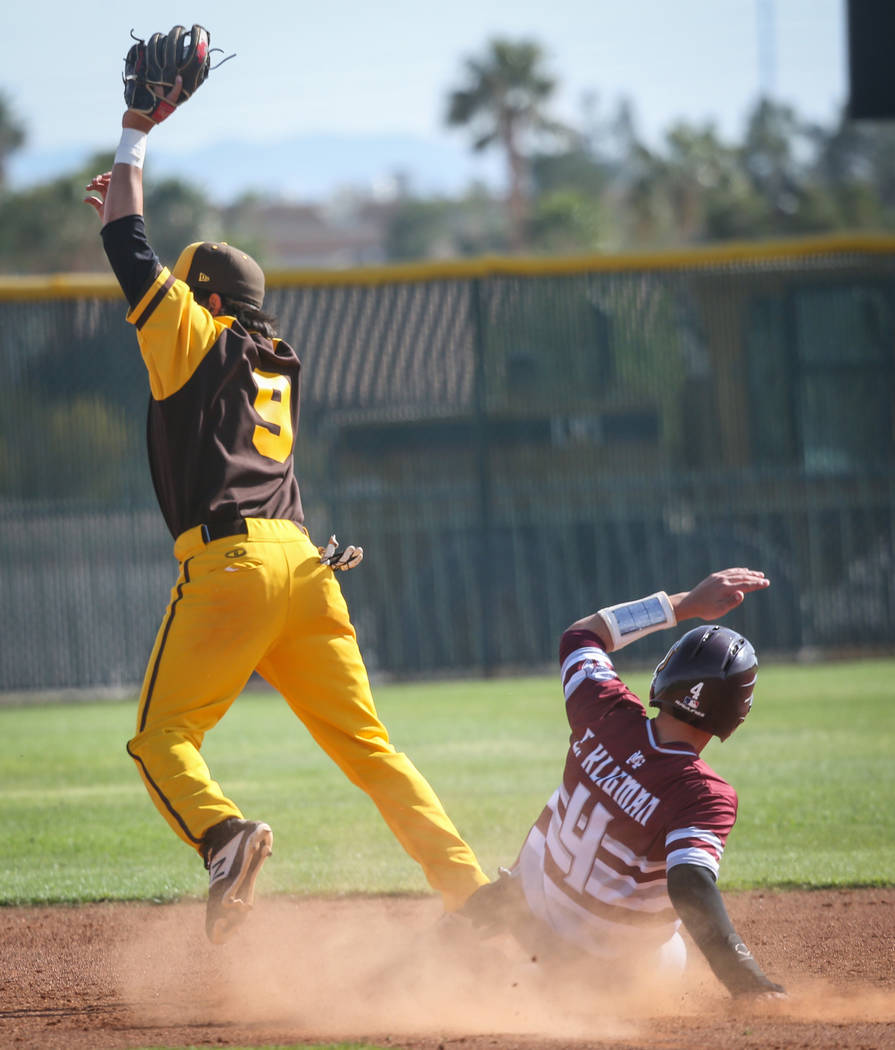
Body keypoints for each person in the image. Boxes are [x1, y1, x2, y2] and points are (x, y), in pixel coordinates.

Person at [84, 74, 488, 944]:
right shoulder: (275, 359)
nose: (172, 299)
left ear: (211, 303)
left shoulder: (194, 334)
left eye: (186, 290)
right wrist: (119, 208)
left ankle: (226, 837)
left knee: (161, 741)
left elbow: (126, 239)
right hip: (307, 570)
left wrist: (132, 133)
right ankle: (473, 890)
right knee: (372, 753)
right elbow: (131, 242)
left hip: (231, 568)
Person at [461, 567, 786, 1001]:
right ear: (736, 713)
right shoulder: (704, 794)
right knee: (671, 955)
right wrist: (747, 981)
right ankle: (542, 975)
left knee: (561, 810)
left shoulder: (603, 708)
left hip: (528, 910)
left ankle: (495, 909)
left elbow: (581, 636)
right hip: (592, 976)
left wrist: (686, 604)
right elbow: (690, 883)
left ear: (666, 672)